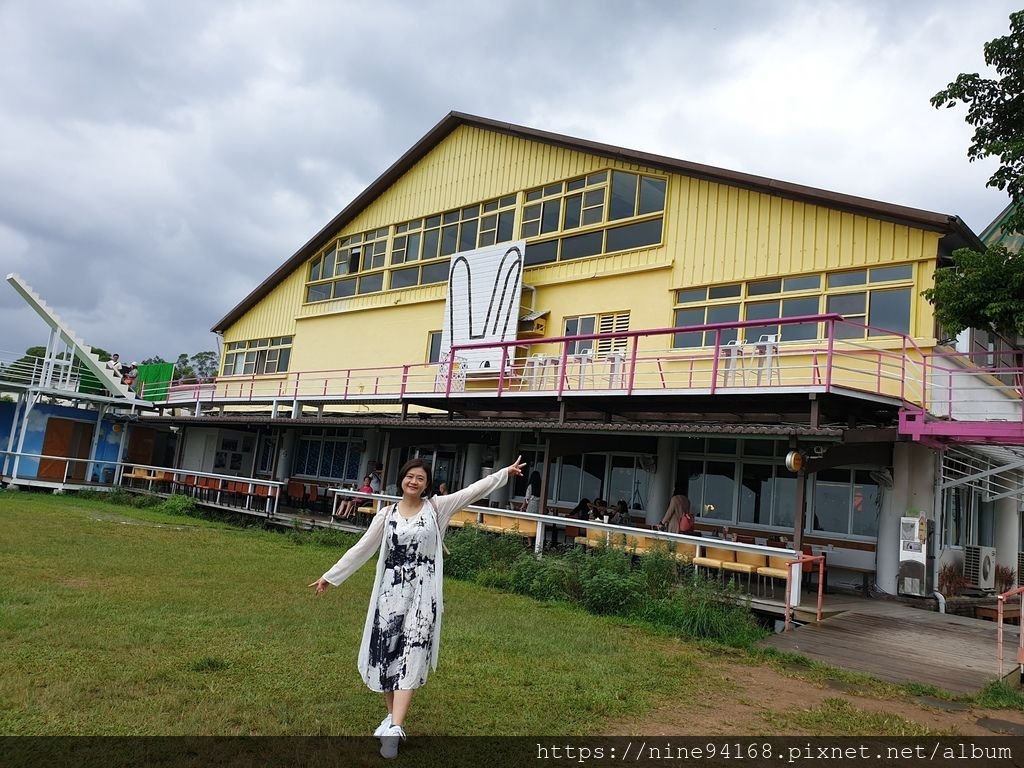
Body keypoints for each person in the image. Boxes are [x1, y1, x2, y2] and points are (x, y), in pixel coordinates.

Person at [310, 454, 526, 759]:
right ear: (401, 479)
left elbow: (473, 490)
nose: (414, 481)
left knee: (413, 650)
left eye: (420, 478)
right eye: (410, 476)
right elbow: (362, 549)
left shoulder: (437, 508)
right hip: (389, 595)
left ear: (426, 484)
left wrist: (504, 473)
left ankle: (395, 729)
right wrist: (331, 577)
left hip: (423, 595)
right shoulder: (386, 516)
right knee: (387, 653)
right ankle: (391, 717)